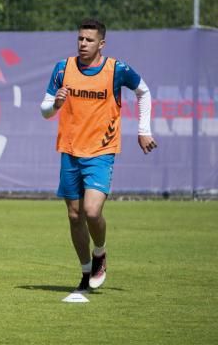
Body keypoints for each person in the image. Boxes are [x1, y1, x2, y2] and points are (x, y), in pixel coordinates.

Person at [41, 18, 156, 293]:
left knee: (92, 211)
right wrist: (55, 104)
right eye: (80, 38)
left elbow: (144, 91)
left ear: (101, 43)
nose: (83, 44)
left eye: (89, 40)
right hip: (69, 150)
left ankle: (100, 253)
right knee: (74, 215)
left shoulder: (116, 69)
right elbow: (45, 109)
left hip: (101, 151)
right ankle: (84, 272)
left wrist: (144, 130)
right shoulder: (63, 68)